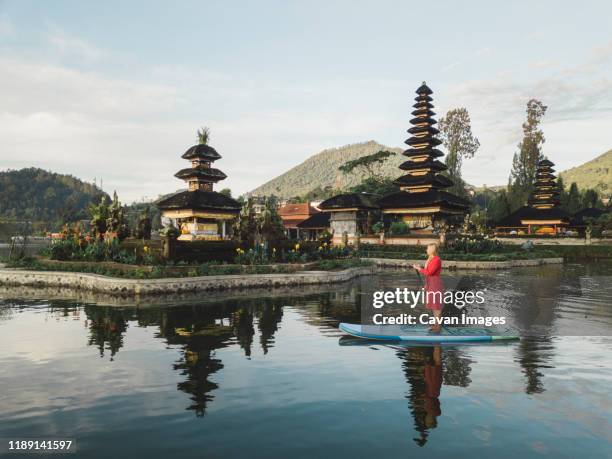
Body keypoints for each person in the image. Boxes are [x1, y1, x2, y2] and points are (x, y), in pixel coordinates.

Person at [412, 243, 444, 332]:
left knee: (436, 306)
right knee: (433, 306)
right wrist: (420, 268)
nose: (426, 250)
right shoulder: (430, 259)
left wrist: (419, 269)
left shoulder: (437, 260)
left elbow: (429, 272)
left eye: (427, 248)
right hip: (430, 283)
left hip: (435, 284)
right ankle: (435, 325)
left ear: (432, 250)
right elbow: (427, 272)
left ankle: (438, 327)